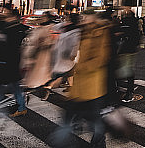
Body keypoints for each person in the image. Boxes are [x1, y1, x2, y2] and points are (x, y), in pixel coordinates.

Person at [51, 9, 113, 148]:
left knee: (94, 118)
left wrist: (81, 67)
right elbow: (77, 56)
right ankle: (65, 136)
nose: (83, 19)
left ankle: (98, 142)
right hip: (80, 84)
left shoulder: (101, 32)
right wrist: (64, 75)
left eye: (85, 17)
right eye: (82, 17)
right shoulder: (82, 32)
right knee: (71, 113)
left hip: (93, 84)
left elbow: (101, 58)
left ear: (93, 18)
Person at [0, 8, 30, 117]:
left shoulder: (12, 29)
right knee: (14, 86)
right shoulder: (14, 29)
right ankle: (22, 107)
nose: (5, 17)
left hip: (7, 63)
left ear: (14, 17)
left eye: (7, 15)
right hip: (9, 62)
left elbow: (11, 48)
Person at [43, 12, 81, 99]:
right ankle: (67, 87)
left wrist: (73, 54)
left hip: (67, 56)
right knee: (63, 73)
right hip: (59, 54)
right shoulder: (64, 27)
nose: (66, 19)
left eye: (68, 18)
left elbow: (76, 44)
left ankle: (49, 88)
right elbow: (54, 28)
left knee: (60, 74)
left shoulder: (76, 31)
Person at [23, 11, 57, 89]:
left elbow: (52, 41)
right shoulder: (40, 28)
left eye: (44, 17)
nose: (42, 18)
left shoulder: (51, 28)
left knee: (43, 72)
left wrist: (44, 42)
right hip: (38, 53)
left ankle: (45, 87)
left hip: (45, 54)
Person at [117, 0, 141, 103]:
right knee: (124, 69)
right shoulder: (126, 17)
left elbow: (134, 34)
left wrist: (123, 34)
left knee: (127, 70)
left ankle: (129, 91)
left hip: (129, 48)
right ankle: (126, 89)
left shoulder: (131, 19)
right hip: (124, 48)